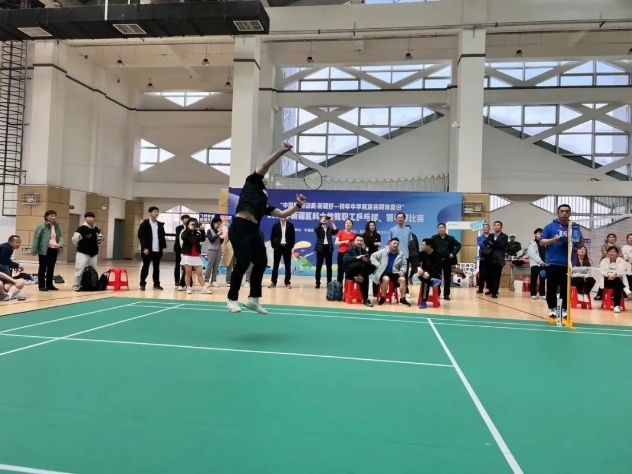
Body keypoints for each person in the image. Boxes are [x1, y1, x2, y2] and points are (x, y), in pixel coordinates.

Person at [227, 142, 306, 314]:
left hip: (254, 231)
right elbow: (265, 164)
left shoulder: (265, 201)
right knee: (243, 262)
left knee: (261, 262)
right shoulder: (252, 181)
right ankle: (232, 300)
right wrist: (283, 151)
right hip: (240, 227)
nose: (265, 179)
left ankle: (253, 300)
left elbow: (282, 214)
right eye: (264, 177)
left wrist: (298, 205)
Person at [540, 204, 583, 322]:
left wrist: (576, 239)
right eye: (562, 211)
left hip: (567, 263)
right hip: (552, 262)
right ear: (558, 213)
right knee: (551, 287)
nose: (564, 213)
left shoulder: (574, 227)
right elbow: (542, 242)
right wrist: (554, 239)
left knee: (565, 288)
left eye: (567, 211)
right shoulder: (549, 227)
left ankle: (564, 309)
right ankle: (552, 308)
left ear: (570, 213)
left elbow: (580, 245)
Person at [370, 238, 410, 307]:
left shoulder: (401, 254)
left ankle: (403, 299)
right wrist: (378, 265)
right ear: (390, 243)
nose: (396, 245)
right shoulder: (383, 251)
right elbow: (372, 256)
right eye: (394, 243)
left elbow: (404, 265)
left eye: (397, 244)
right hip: (383, 272)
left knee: (403, 279)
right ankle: (382, 298)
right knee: (386, 279)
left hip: (394, 273)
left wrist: (402, 271)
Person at [32, 210, 63, 292]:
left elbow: (60, 236)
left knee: (51, 267)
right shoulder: (41, 226)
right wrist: (35, 249)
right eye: (51, 216)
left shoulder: (57, 226)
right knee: (43, 268)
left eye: (54, 216)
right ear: (46, 217)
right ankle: (41, 285)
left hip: (54, 249)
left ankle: (49, 284)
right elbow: (36, 238)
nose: (53, 217)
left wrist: (60, 244)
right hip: (44, 250)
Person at [71, 212, 103, 291]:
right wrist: (81, 245)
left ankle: (92, 284)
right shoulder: (81, 228)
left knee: (93, 269)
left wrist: (99, 240)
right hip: (83, 252)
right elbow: (74, 239)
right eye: (89, 217)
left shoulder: (96, 228)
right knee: (80, 268)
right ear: (85, 218)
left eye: (92, 217)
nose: (91, 219)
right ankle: (76, 284)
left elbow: (99, 237)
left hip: (94, 253)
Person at [137, 206, 167, 291]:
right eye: (155, 211)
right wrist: (144, 248)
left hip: (157, 250)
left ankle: (156, 284)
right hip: (148, 250)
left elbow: (162, 237)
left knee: (156, 268)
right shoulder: (145, 224)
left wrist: (162, 248)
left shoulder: (160, 225)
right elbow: (141, 237)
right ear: (150, 213)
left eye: (157, 212)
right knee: (145, 267)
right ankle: (142, 284)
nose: (156, 213)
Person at [430, 223, 461, 300]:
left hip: (447, 260)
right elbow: (429, 246)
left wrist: (453, 253)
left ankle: (446, 294)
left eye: (442, 227)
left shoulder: (450, 238)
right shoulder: (434, 238)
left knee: (447, 278)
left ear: (445, 228)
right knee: (437, 277)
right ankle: (437, 293)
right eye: (439, 227)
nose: (441, 229)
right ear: (437, 229)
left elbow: (458, 245)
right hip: (437, 261)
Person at [343, 235, 375, 307]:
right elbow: (345, 259)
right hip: (351, 271)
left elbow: (368, 263)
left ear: (363, 242)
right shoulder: (349, 250)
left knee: (372, 267)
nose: (359, 242)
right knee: (359, 265)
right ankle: (358, 276)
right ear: (354, 241)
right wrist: (357, 257)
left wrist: (367, 260)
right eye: (358, 240)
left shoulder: (364, 251)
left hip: (361, 272)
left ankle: (365, 299)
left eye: (361, 241)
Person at [181, 218, 210, 295]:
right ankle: (188, 287)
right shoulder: (185, 232)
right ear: (188, 225)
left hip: (196, 255)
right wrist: (189, 230)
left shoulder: (197, 233)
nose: (193, 226)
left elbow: (202, 239)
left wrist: (202, 231)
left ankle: (204, 288)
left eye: (194, 224)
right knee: (188, 273)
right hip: (187, 255)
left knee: (199, 273)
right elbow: (184, 238)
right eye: (192, 224)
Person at [480, 221, 508, 298]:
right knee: (486, 274)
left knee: (496, 276)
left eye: (498, 225)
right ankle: (491, 289)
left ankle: (494, 292)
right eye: (495, 225)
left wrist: (492, 243)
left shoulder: (504, 236)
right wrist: (494, 243)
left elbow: (502, 246)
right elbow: (485, 242)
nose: (496, 226)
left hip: (498, 258)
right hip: (488, 258)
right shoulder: (491, 235)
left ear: (501, 227)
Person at [269, 217, 295, 289]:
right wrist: (273, 245)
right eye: (282, 216)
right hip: (278, 247)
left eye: (285, 216)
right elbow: (272, 237)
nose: (283, 217)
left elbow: (293, 236)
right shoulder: (275, 226)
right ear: (279, 217)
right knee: (275, 265)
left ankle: (287, 282)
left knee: (287, 265)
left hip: (287, 247)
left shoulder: (290, 225)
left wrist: (291, 246)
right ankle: (273, 282)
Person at [599, 246, 627, 313]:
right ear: (607, 253)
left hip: (617, 279)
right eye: (610, 251)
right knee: (618, 283)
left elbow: (622, 270)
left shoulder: (621, 261)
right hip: (607, 280)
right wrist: (609, 274)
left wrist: (615, 274)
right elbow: (602, 270)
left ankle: (616, 306)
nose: (611, 253)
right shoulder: (604, 260)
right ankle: (617, 305)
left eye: (613, 252)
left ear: (617, 253)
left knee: (617, 282)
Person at [416, 238, 442, 309]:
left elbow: (436, 266)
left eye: (423, 245)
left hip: (434, 274)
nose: (421, 246)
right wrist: (418, 267)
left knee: (426, 280)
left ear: (428, 246)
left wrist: (428, 273)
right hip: (423, 273)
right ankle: (432, 280)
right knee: (421, 275)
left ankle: (424, 301)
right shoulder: (421, 253)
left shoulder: (437, 255)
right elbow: (416, 261)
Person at [314, 216, 338, 289]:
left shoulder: (329, 229)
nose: (325, 220)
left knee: (329, 267)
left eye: (326, 219)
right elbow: (316, 230)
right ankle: (317, 283)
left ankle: (329, 283)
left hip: (328, 249)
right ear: (320, 220)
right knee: (318, 267)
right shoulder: (319, 228)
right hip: (320, 249)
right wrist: (320, 223)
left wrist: (332, 223)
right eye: (323, 219)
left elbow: (336, 231)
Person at [204, 217, 223, 288]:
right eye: (217, 223)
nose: (218, 225)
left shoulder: (218, 231)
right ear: (213, 223)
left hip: (219, 250)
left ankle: (213, 280)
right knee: (210, 265)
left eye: (219, 224)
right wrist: (217, 235)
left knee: (216, 266)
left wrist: (222, 238)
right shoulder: (209, 230)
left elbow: (220, 242)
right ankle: (206, 280)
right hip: (212, 249)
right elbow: (211, 240)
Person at [527, 228, 546, 300]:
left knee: (543, 279)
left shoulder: (544, 243)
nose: (540, 234)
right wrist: (540, 261)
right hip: (535, 264)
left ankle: (542, 294)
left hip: (544, 264)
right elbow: (532, 254)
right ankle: (533, 293)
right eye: (539, 233)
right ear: (535, 234)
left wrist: (544, 262)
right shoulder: (532, 243)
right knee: (534, 279)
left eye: (542, 233)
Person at [335, 219, 356, 283]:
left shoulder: (354, 234)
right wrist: (344, 242)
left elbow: (355, 244)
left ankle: (347, 287)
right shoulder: (340, 232)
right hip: (341, 253)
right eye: (347, 223)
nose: (348, 224)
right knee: (340, 271)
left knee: (349, 271)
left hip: (350, 254)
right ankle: (339, 286)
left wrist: (352, 243)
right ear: (344, 225)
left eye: (350, 223)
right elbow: (336, 243)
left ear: (352, 225)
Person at [173, 214, 190, 289]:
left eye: (187, 218)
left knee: (186, 265)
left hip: (187, 249)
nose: (186, 220)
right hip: (179, 248)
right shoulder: (179, 228)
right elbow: (178, 237)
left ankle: (184, 281)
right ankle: (177, 280)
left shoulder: (190, 228)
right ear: (182, 220)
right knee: (178, 264)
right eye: (185, 218)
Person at [476, 223, 491, 293]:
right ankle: (480, 288)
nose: (485, 228)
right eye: (484, 227)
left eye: (486, 227)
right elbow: (481, 245)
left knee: (490, 274)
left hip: (491, 258)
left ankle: (490, 288)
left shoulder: (492, 237)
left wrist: (489, 245)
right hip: (483, 257)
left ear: (489, 229)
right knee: (482, 274)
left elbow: (494, 245)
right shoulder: (479, 238)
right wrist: (489, 244)